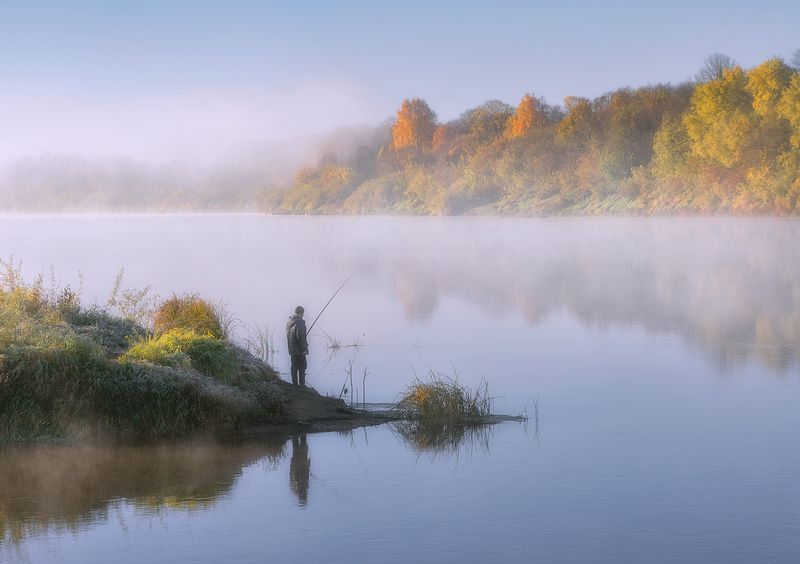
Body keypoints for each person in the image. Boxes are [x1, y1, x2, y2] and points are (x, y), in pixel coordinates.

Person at [286, 305, 309, 387]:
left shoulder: (289, 321)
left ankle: (294, 384)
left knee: (294, 367)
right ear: (302, 313)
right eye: (303, 313)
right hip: (299, 350)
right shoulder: (300, 322)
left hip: (292, 349)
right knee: (302, 367)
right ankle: (302, 385)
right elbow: (300, 337)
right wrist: (304, 349)